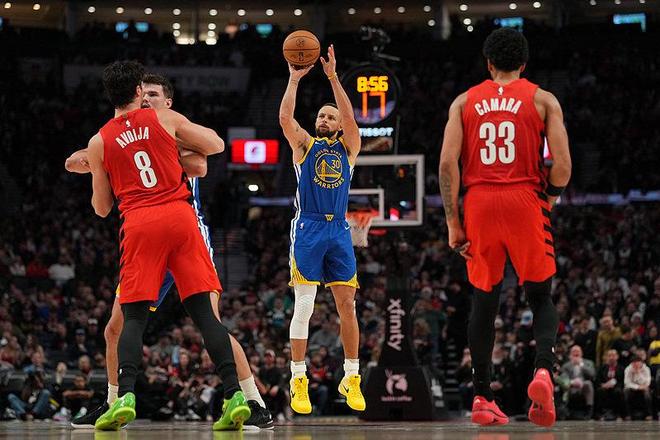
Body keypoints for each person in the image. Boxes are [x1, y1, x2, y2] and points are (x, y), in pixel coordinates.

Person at [66, 74, 272, 430]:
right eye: (143, 94)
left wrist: (103, 161)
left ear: (168, 100)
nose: (147, 99)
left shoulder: (163, 124)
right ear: (134, 95)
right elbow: (74, 160)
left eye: (154, 94)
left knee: (206, 320)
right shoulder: (149, 127)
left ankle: (253, 400)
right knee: (114, 328)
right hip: (171, 225)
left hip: (172, 226)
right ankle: (113, 402)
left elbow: (201, 164)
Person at [439, 28, 571, 427]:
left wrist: (453, 222)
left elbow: (447, 164)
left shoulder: (464, 102)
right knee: (540, 296)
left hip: (479, 202)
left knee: (484, 301)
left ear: (489, 63)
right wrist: (550, 198)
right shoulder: (543, 99)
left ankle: (482, 396)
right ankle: (543, 371)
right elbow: (563, 165)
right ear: (524, 64)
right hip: (525, 198)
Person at [279, 44, 365, 414]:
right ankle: (298, 378)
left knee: (348, 305)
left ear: (340, 124)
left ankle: (352, 376)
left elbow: (351, 119)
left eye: (332, 117)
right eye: (322, 115)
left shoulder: (349, 147)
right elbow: (285, 119)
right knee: (306, 303)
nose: (326, 119)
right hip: (309, 227)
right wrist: (294, 80)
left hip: (339, 230)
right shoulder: (305, 146)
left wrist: (332, 78)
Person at [560, 345, 595, 419]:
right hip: (570, 386)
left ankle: (589, 411)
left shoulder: (588, 363)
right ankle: (564, 412)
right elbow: (563, 378)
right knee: (564, 386)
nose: (576, 353)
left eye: (578, 351)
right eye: (574, 351)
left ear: (581, 353)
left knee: (588, 384)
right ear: (570, 354)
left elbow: (592, 375)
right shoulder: (566, 365)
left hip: (583, 386)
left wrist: (581, 365)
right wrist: (572, 382)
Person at [595, 349, 625, 420]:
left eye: (613, 355)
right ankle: (601, 414)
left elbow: (623, 381)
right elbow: (597, 380)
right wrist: (603, 385)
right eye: (609, 356)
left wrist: (614, 385)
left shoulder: (621, 368)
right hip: (604, 387)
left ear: (617, 357)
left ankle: (618, 414)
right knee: (600, 391)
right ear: (606, 357)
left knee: (618, 392)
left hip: (616, 387)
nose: (611, 358)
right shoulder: (602, 368)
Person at [624, 354, 652, 420]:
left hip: (643, 387)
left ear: (641, 362)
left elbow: (647, 382)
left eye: (638, 362)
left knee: (647, 394)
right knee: (626, 391)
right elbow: (627, 382)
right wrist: (637, 387)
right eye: (634, 363)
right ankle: (628, 414)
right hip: (632, 388)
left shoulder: (646, 369)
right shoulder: (628, 369)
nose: (636, 364)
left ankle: (649, 414)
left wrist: (638, 373)